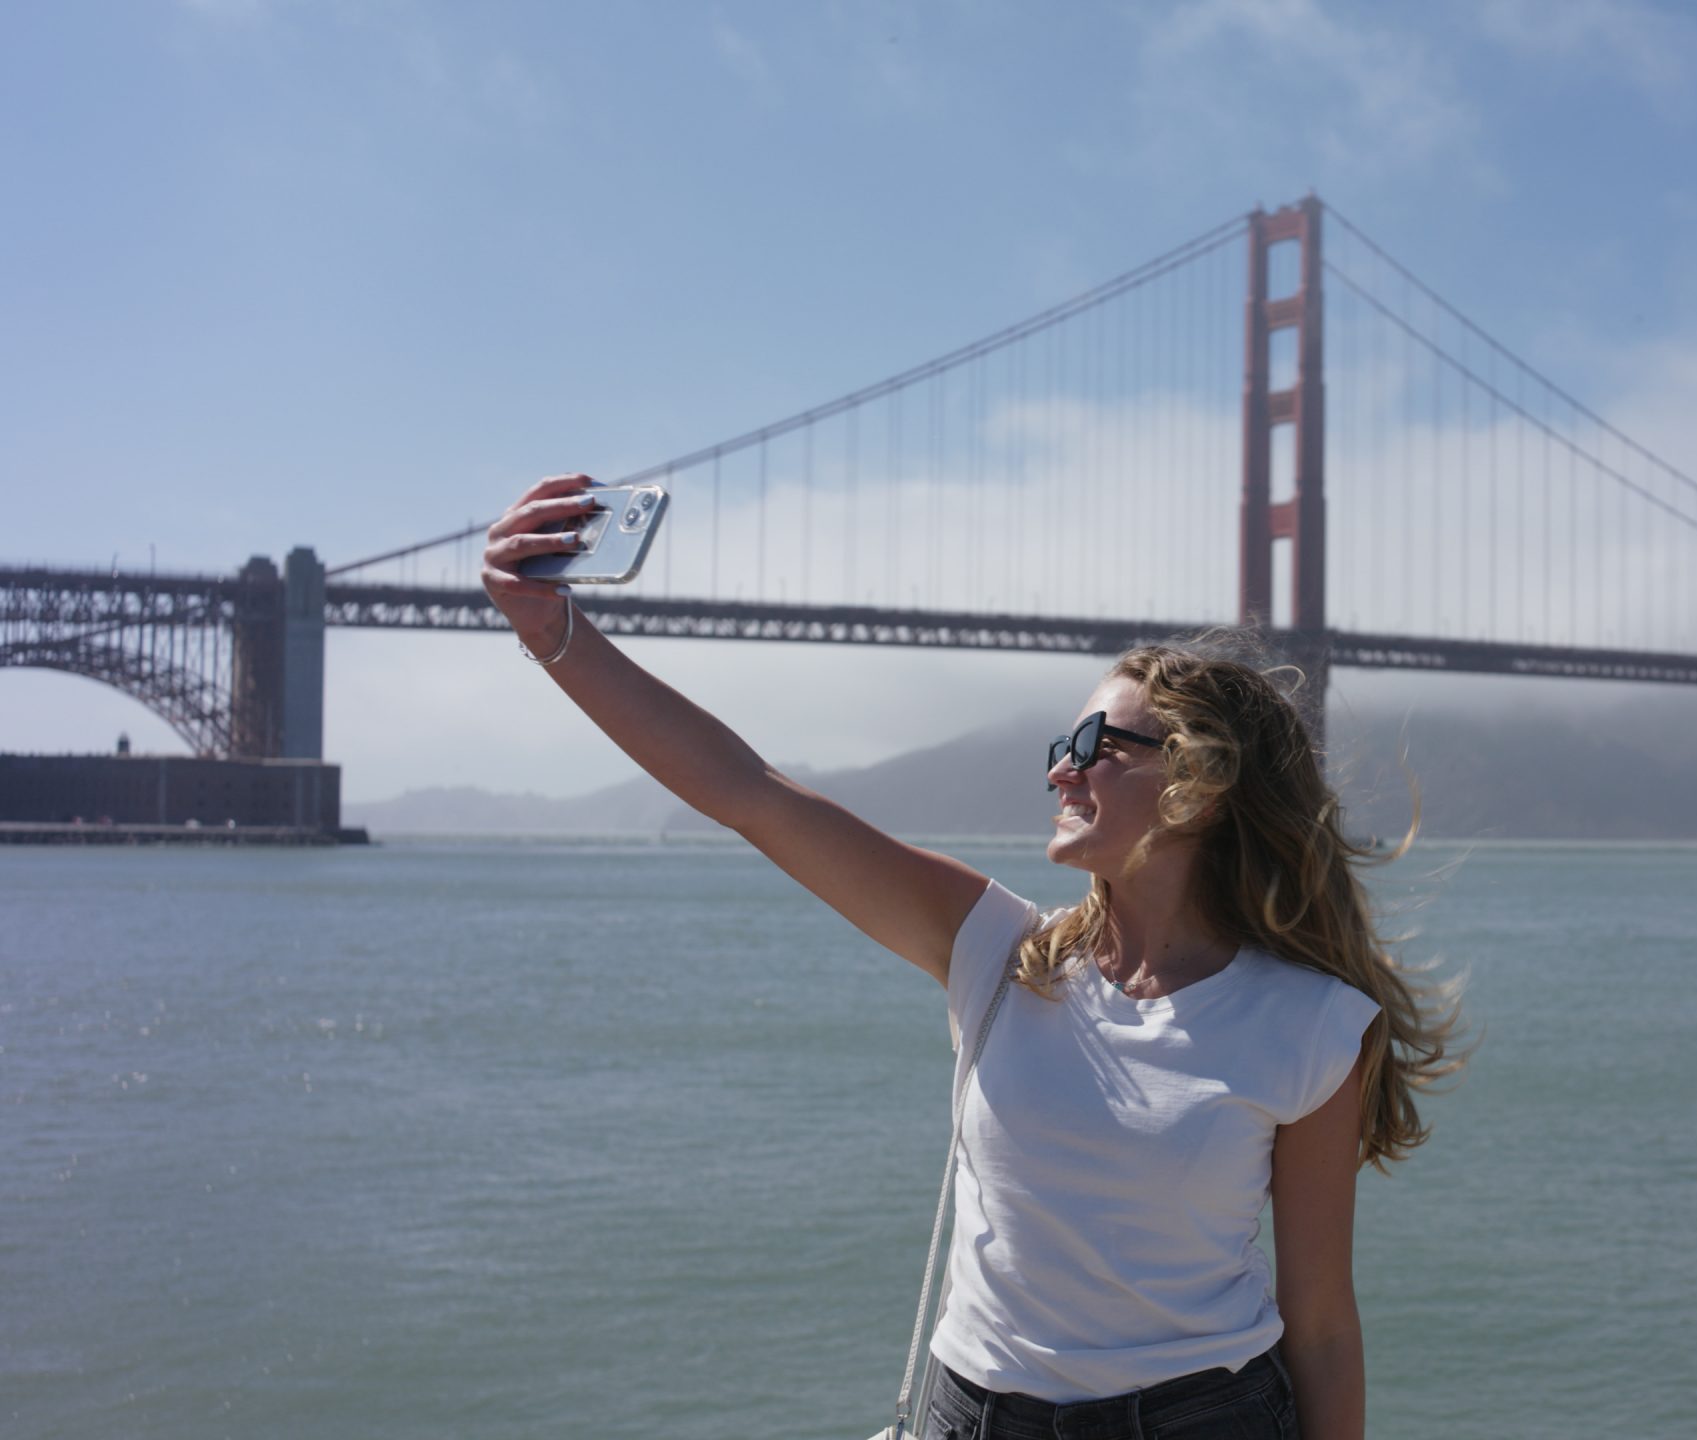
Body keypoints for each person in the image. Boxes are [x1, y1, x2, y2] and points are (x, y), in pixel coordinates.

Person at [482, 473, 1462, 1440]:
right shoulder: (996, 952)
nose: (1060, 767)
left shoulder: (1311, 1024)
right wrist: (556, 634)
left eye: (1096, 741)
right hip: (975, 1417)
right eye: (1061, 741)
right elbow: (751, 793)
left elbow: (1322, 1326)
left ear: (1198, 786)